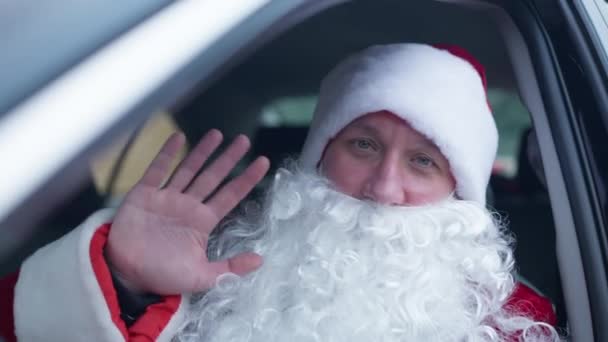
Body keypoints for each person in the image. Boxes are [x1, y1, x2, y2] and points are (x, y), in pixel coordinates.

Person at [0, 43, 559, 341]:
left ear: (458, 192)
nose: (384, 189)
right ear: (318, 155)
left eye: (423, 161)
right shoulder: (213, 270)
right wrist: (125, 282)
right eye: (362, 145)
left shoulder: (512, 324)